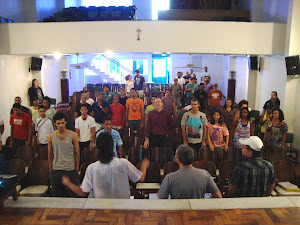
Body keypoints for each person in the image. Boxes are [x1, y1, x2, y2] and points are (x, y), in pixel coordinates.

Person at [61, 131, 149, 198]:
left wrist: (68, 183)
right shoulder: (123, 163)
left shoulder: (92, 168)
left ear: (97, 149)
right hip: (123, 209)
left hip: (101, 210)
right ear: (112, 147)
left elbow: (83, 192)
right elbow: (140, 179)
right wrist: (144, 165)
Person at [157, 145, 222, 199]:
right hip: (199, 212)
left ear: (177, 159)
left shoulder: (169, 178)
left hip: (178, 212)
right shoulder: (205, 174)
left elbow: (161, 201)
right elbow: (218, 196)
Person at [48, 113, 80, 197]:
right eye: (58, 123)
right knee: (57, 196)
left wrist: (76, 169)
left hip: (70, 169)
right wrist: (51, 169)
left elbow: (77, 153)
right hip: (57, 169)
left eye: (62, 123)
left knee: (74, 196)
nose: (60, 125)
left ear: (66, 122)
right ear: (55, 123)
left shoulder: (73, 135)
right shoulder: (50, 136)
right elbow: (50, 154)